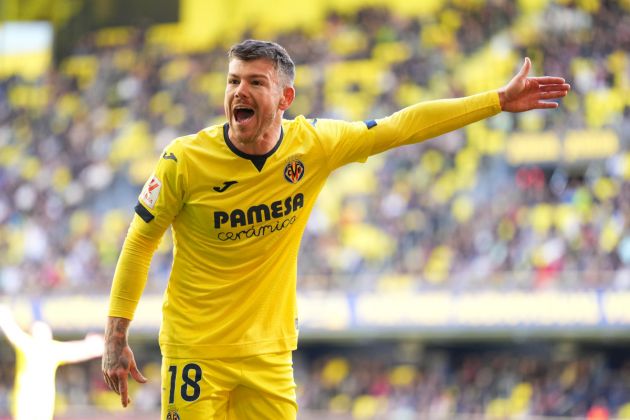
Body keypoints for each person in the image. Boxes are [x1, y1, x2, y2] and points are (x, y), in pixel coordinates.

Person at [102, 39, 570, 419]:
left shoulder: (315, 145)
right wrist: (115, 338)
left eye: (255, 82)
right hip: (195, 350)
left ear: (284, 98)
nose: (238, 92)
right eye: (232, 81)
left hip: (270, 352)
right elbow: (139, 243)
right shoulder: (183, 159)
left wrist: (496, 101)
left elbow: (400, 127)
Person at [0, 304, 103, 420]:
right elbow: (12, 332)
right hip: (26, 408)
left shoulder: (50, 349)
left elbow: (76, 351)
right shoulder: (29, 346)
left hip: (42, 410)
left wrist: (93, 346)